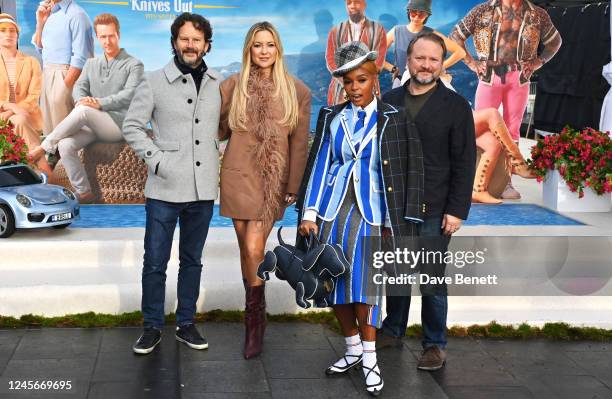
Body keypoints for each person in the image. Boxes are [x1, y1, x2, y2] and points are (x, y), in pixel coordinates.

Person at [296, 41, 424, 396]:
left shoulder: (396, 119)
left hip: (372, 215)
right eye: (348, 82)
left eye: (362, 80)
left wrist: (396, 222)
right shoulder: (332, 118)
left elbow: (410, 172)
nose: (354, 88)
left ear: (374, 82)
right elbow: (321, 166)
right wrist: (310, 212)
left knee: (365, 288)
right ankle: (351, 348)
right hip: (332, 213)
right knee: (333, 284)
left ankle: (370, 358)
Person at [122, 12, 222, 355]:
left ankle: (186, 323)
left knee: (192, 261)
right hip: (164, 188)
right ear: (174, 43)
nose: (190, 45)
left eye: (196, 39)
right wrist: (157, 160)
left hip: (203, 189)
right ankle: (151, 327)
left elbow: (224, 129)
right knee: (155, 261)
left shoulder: (218, 83)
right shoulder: (152, 81)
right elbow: (132, 126)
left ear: (206, 44)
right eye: (184, 38)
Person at [378, 32, 476, 372]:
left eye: (434, 59)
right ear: (409, 60)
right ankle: (392, 329)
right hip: (395, 205)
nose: (427, 65)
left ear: (440, 63)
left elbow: (465, 162)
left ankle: (434, 344)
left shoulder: (457, 106)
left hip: (435, 206)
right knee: (396, 272)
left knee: (432, 278)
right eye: (421, 58)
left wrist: (456, 210)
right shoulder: (388, 101)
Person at [219, 21, 311, 359]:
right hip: (236, 176)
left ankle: (253, 324)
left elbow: (299, 145)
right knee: (246, 250)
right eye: (257, 45)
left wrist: (293, 185)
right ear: (249, 49)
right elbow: (217, 129)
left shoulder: (296, 90)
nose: (263, 51)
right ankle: (257, 314)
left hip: (271, 182)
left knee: (256, 248)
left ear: (278, 49)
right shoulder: (232, 86)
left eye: (269, 44)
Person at [450, 0, 561, 199]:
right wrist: (471, 63)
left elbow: (555, 42)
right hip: (489, 77)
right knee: (481, 128)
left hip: (519, 79)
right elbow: (455, 37)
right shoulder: (482, 10)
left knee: (512, 129)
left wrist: (538, 62)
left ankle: (506, 182)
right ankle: (474, 181)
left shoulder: (538, 14)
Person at [28, 13, 144, 203]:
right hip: (92, 125)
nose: (107, 41)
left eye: (111, 36)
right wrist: (83, 99)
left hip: (118, 124)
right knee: (66, 145)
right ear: (97, 38)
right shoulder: (91, 64)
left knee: (83, 111)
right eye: (103, 37)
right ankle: (84, 193)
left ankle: (44, 147)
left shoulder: (133, 64)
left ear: (118, 35)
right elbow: (79, 89)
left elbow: (129, 94)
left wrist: (99, 103)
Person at [31, 0, 94, 134]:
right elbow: (40, 48)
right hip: (47, 73)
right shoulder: (49, 13)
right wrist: (40, 23)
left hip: (65, 74)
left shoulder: (77, 15)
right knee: (49, 132)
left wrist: (64, 87)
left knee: (65, 135)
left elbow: (81, 58)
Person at [0, 13, 51, 175]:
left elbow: (34, 96)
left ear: (17, 35)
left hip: (27, 116)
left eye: (12, 31)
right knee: (19, 119)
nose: (8, 34)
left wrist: (11, 112)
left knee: (20, 120)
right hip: (5, 116)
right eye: (2, 30)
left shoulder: (31, 62)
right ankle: (44, 172)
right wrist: (8, 107)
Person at [383, 0, 465, 89]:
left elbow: (460, 52)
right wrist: (392, 69)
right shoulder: (396, 31)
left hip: (425, 80)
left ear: (427, 16)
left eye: (421, 14)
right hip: (401, 78)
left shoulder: (432, 34)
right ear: (408, 12)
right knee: (394, 100)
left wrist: (439, 67)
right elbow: (376, 55)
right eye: (413, 13)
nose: (416, 17)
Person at [325, 0, 386, 105]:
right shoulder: (335, 31)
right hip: (340, 89)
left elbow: (378, 61)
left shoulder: (378, 30)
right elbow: (330, 59)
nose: (352, 6)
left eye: (357, 2)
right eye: (349, 3)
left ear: (365, 4)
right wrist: (345, 81)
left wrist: (361, 81)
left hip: (368, 87)